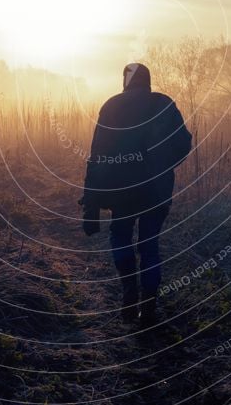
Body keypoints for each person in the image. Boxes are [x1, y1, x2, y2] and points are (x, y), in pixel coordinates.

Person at [79, 62, 192, 328]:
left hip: (122, 192)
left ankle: (129, 292)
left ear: (125, 80)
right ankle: (149, 305)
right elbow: (183, 144)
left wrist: (91, 203)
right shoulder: (164, 104)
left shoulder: (112, 106)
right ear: (148, 80)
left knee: (120, 236)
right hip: (156, 191)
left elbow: (97, 156)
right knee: (149, 245)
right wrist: (163, 166)